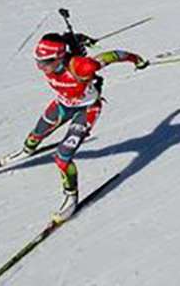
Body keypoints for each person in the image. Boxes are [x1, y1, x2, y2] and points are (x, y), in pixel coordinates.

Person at [26, 32, 148, 222]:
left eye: (46, 62)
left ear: (59, 57)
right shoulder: (52, 60)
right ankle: (27, 150)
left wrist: (137, 60)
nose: (42, 68)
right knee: (34, 136)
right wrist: (79, 39)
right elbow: (66, 37)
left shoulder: (82, 66)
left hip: (87, 109)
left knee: (62, 157)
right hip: (63, 104)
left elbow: (113, 55)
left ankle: (71, 197)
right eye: (38, 62)